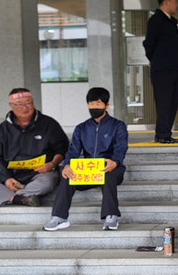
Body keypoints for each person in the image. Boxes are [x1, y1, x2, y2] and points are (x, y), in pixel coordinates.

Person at [43, 88, 128, 231]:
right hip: (88, 170)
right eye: (91, 104)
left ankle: (111, 216)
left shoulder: (117, 126)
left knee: (109, 176)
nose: (94, 107)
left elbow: (121, 147)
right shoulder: (81, 128)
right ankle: (59, 217)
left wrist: (115, 162)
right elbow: (73, 150)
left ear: (106, 105)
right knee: (67, 175)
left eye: (98, 104)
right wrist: (67, 165)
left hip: (110, 167)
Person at [0, 88, 68, 207]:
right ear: (11, 106)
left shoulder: (49, 124)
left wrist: (52, 164)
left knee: (47, 181)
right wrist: (6, 179)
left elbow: (61, 148)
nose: (25, 108)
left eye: (28, 103)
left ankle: (12, 197)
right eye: (19, 104)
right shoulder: (2, 129)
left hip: (39, 173)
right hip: (10, 174)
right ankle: (20, 199)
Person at [142, 0, 178, 144]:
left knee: (173, 102)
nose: (177, 5)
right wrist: (154, 58)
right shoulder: (156, 20)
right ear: (166, 1)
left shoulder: (171, 21)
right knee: (164, 102)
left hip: (174, 68)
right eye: (175, 1)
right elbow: (148, 43)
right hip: (162, 69)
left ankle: (166, 132)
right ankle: (162, 134)